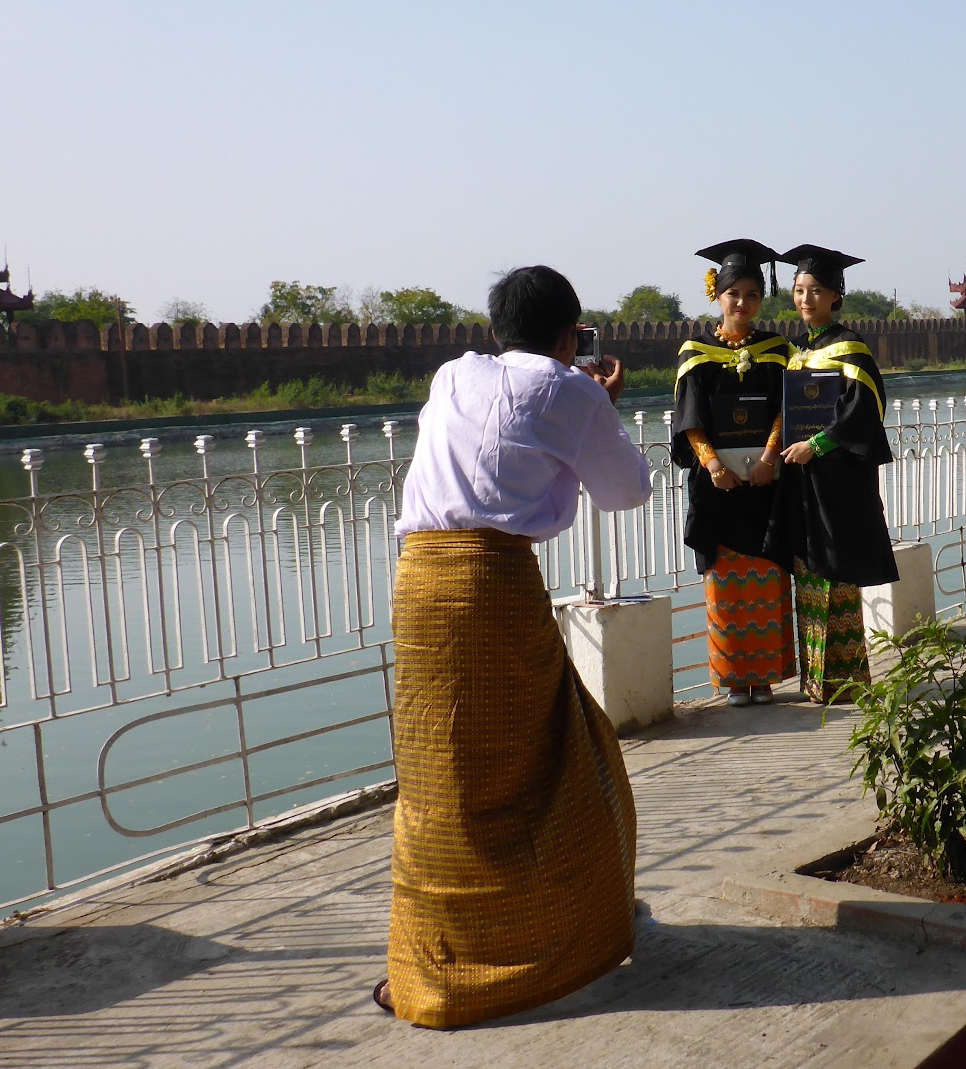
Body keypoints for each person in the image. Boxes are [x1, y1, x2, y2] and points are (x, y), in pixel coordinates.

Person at [380, 265, 652, 1028]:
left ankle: (424, 963)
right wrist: (600, 406)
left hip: (418, 582)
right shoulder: (571, 391)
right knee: (556, 761)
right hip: (488, 584)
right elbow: (627, 490)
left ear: (497, 328)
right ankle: (548, 940)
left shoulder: (452, 374)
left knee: (439, 780)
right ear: (571, 335)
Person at [765, 244, 899, 703]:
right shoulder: (799, 351)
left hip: (836, 483)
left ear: (836, 296)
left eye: (817, 291)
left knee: (835, 574)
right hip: (802, 481)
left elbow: (864, 414)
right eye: (800, 290)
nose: (806, 299)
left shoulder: (850, 349)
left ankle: (844, 680)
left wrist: (817, 445)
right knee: (808, 574)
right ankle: (815, 680)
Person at [673, 239, 796, 706]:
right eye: (733, 294)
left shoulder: (776, 349)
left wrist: (768, 459)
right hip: (718, 488)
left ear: (761, 299)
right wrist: (711, 464)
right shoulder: (695, 352)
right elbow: (690, 418)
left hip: (764, 485)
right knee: (726, 585)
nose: (741, 303)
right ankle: (733, 679)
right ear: (717, 295)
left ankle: (763, 678)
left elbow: (786, 410)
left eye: (751, 295)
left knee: (767, 577)